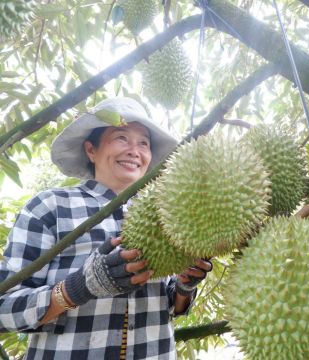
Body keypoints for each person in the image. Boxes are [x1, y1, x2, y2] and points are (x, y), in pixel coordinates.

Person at [0, 97, 213, 359]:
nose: (135, 150)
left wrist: (185, 286)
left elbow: (170, 305)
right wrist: (78, 288)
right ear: (91, 150)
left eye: (143, 143)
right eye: (122, 138)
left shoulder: (167, 212)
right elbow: (4, 310)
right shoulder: (49, 207)